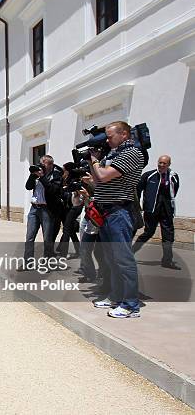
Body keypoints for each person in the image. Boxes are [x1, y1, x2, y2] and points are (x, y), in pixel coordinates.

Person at [88, 121, 145, 318]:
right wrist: (92, 162)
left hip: (119, 212)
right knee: (111, 259)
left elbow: (103, 176)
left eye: (110, 136)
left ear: (124, 135)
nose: (107, 140)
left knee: (124, 260)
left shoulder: (131, 153)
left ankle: (131, 305)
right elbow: (97, 180)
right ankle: (116, 296)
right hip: (107, 213)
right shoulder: (113, 154)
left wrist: (95, 161)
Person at [132, 155, 180, 269]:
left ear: (169, 164)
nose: (161, 165)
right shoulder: (148, 175)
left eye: (164, 163)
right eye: (160, 162)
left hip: (166, 210)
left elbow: (174, 191)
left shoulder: (173, 176)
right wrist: (138, 205)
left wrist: (170, 206)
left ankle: (167, 261)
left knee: (168, 236)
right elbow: (137, 190)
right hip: (151, 210)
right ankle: (130, 253)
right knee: (148, 232)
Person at [20, 154, 63, 269]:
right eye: (41, 162)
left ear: (51, 165)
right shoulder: (36, 175)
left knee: (47, 238)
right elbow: (28, 187)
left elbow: (52, 190)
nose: (42, 165)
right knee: (29, 237)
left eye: (45, 163)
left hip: (47, 210)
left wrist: (42, 177)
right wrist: (32, 175)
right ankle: (27, 262)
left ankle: (48, 263)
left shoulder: (56, 176)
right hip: (34, 208)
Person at [56, 162, 82, 258]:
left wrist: (65, 189)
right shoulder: (66, 179)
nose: (63, 172)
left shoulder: (75, 180)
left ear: (68, 171)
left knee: (67, 228)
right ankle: (79, 250)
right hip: (70, 207)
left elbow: (74, 194)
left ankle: (63, 253)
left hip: (75, 206)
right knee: (70, 230)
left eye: (64, 170)